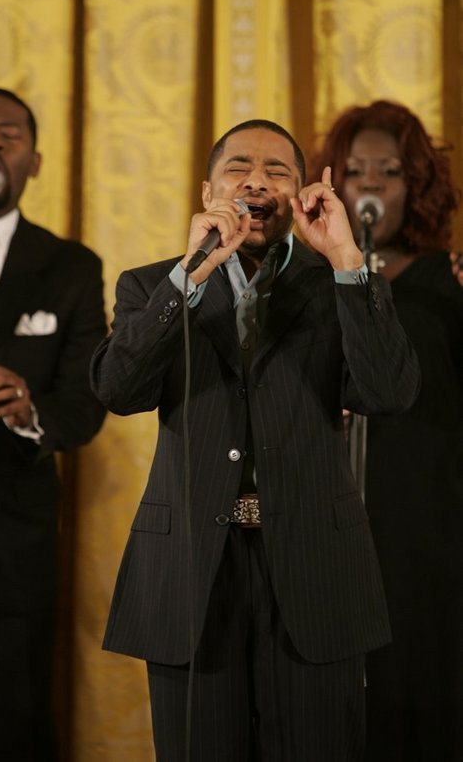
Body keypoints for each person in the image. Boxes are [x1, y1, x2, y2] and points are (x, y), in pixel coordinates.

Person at [90, 118, 420, 761]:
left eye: (278, 172)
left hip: (314, 572)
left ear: (304, 193)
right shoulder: (154, 284)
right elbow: (116, 390)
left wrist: (348, 261)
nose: (257, 183)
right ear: (209, 188)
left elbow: (390, 393)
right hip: (191, 576)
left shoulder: (342, 284)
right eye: (239, 168)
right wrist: (190, 275)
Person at [0, 87, 107, 761]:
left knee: (13, 708)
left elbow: (87, 400)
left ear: (35, 161)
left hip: (17, 531)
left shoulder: (70, 267)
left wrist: (30, 413)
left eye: (9, 133)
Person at [307, 99, 463, 762]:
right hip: (324, 524)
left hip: (424, 530)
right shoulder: (310, 283)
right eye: (356, 170)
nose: (369, 185)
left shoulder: (448, 283)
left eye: (390, 172)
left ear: (415, 187)